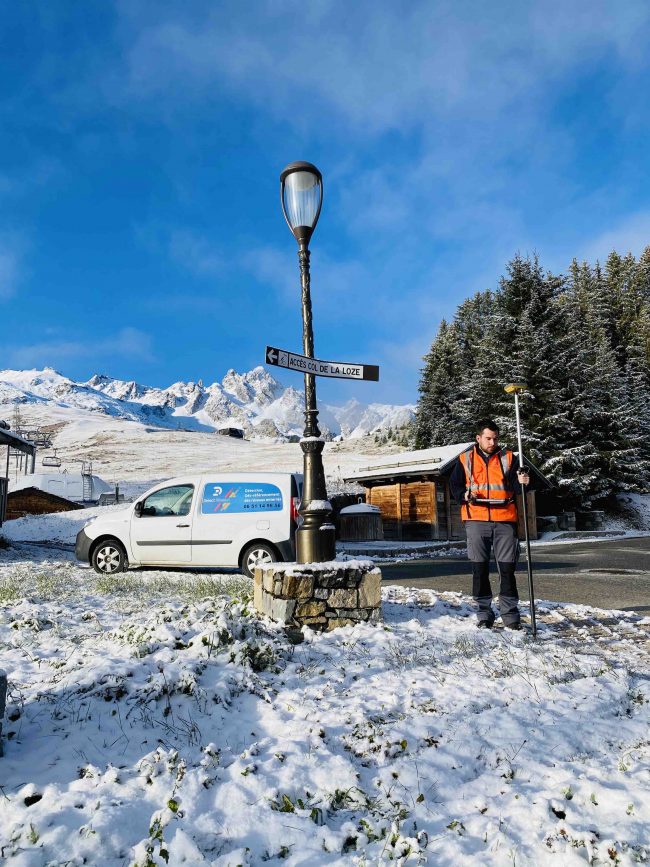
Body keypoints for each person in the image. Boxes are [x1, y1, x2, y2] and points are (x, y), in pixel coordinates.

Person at [450, 419, 530, 629]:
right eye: (488, 438)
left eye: (495, 438)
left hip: (505, 520)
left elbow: (517, 484)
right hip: (476, 519)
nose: (492, 442)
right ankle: (484, 615)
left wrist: (524, 481)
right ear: (478, 438)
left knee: (507, 570)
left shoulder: (510, 458)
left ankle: (511, 616)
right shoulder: (465, 459)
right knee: (480, 569)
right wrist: (463, 495)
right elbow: (455, 485)